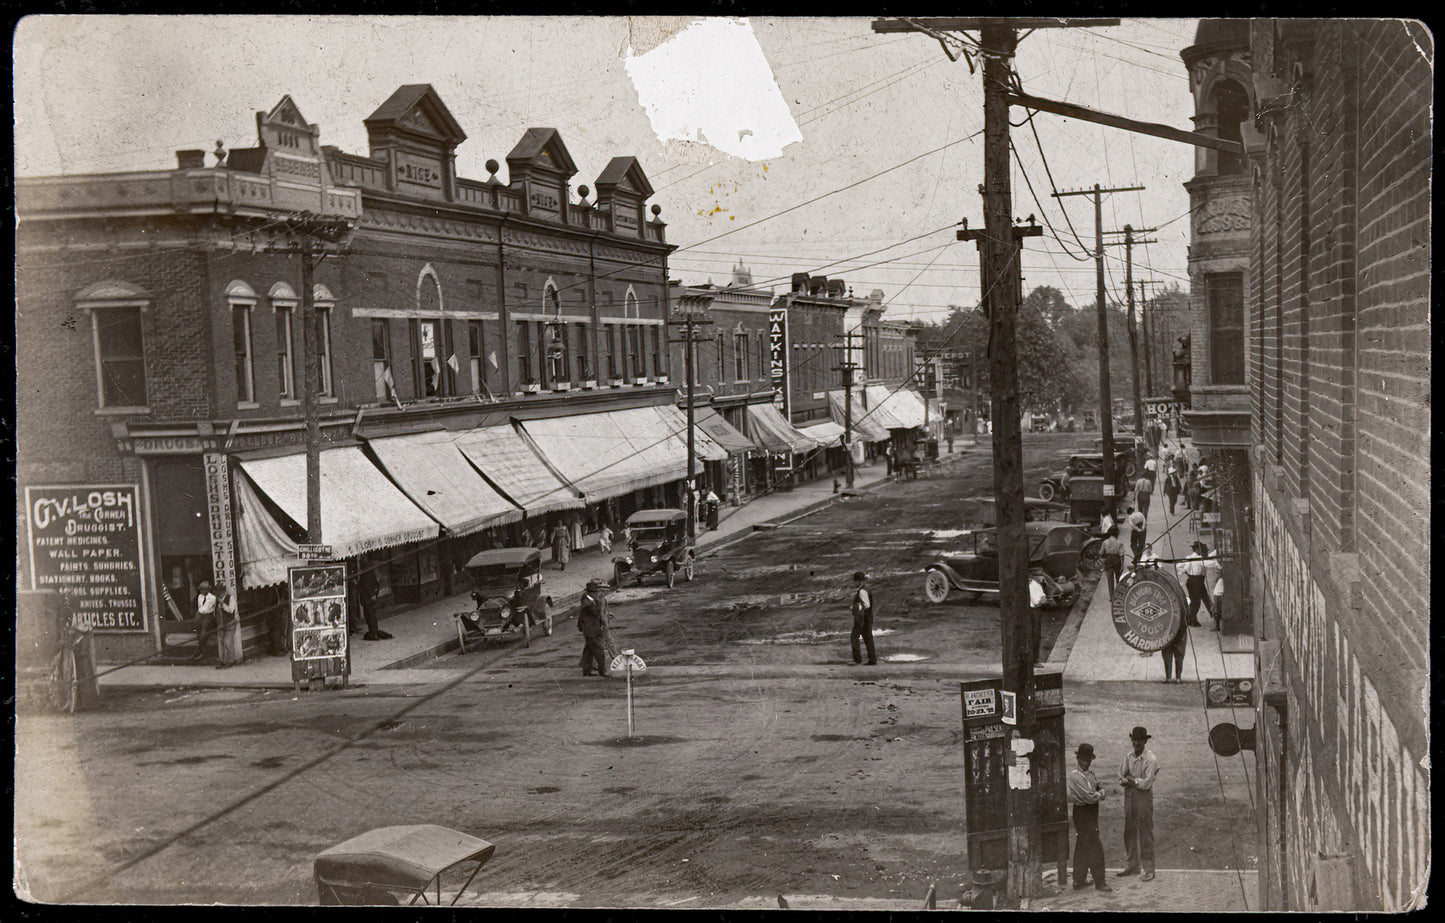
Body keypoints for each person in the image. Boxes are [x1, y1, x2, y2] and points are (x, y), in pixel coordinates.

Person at [1068, 743, 1112, 892]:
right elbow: (1090, 797)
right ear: (1078, 758)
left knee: (1082, 844)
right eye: (1084, 759)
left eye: (1089, 759)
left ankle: (1078, 880)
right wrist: (1100, 794)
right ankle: (1100, 882)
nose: (1087, 762)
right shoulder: (1075, 775)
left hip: (1091, 812)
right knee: (1095, 846)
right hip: (1083, 812)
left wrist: (1099, 792)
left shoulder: (1090, 773)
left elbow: (1099, 787)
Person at [1117, 726, 1159, 881]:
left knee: (1145, 832)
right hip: (1129, 796)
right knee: (1129, 831)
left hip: (1143, 797)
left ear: (1145, 741)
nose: (1137, 743)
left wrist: (1132, 780)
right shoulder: (1128, 757)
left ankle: (1149, 868)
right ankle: (1133, 865)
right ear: (1131, 739)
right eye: (1134, 740)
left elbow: (1146, 783)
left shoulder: (1151, 759)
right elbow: (1120, 777)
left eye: (1140, 740)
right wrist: (1133, 782)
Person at [1176, 541, 1217, 628]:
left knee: (1197, 600)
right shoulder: (1198, 559)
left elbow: (1178, 566)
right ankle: (1192, 619)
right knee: (1198, 601)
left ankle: (1193, 618)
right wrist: (1217, 562)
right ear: (1198, 549)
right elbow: (1209, 563)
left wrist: (1185, 572)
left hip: (1192, 580)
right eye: (1201, 549)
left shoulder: (1189, 557)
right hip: (1197, 581)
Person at [577, 579, 611, 677]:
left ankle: (586, 670)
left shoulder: (588, 597)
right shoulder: (589, 598)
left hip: (589, 627)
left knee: (589, 649)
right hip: (591, 627)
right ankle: (603, 670)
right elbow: (593, 611)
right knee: (598, 649)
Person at [849, 571, 876, 666]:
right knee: (868, 638)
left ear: (858, 581)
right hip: (868, 618)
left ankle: (857, 659)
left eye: (856, 581)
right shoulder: (866, 589)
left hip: (861, 619)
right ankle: (872, 659)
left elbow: (866, 605)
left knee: (854, 637)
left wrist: (855, 607)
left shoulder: (862, 591)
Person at [357, 565, 390, 640]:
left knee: (369, 615)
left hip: (367, 599)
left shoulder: (365, 576)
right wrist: (374, 594)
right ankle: (373, 631)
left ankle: (373, 631)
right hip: (370, 599)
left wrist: (372, 595)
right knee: (371, 615)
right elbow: (375, 585)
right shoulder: (371, 576)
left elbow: (364, 587)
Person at [215, 583, 242, 668]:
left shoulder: (231, 598)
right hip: (221, 624)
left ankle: (230, 660)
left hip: (229, 623)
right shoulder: (217, 600)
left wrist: (222, 604)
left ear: (223, 591)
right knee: (221, 643)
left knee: (228, 642)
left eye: (219, 591)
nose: (218, 594)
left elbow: (230, 610)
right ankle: (223, 661)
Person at [193, 580, 218, 661]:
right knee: (198, 633)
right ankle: (200, 649)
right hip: (200, 615)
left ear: (207, 590)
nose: (201, 591)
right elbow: (200, 607)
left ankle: (202, 651)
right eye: (201, 589)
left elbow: (209, 608)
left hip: (208, 616)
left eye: (203, 589)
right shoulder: (199, 596)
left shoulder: (212, 598)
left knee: (203, 634)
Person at [1161, 609, 1187, 683]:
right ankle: (1178, 678)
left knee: (1167, 652)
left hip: (1166, 627)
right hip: (1180, 626)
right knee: (1179, 653)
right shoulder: (1183, 598)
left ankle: (1168, 677)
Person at [1101, 527, 1125, 599]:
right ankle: (1119, 595)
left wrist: (1103, 561)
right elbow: (1122, 554)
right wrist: (1122, 565)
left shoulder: (1105, 542)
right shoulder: (1120, 542)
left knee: (1110, 580)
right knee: (1119, 578)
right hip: (1117, 560)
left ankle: (1111, 597)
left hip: (1108, 561)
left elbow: (1101, 552)